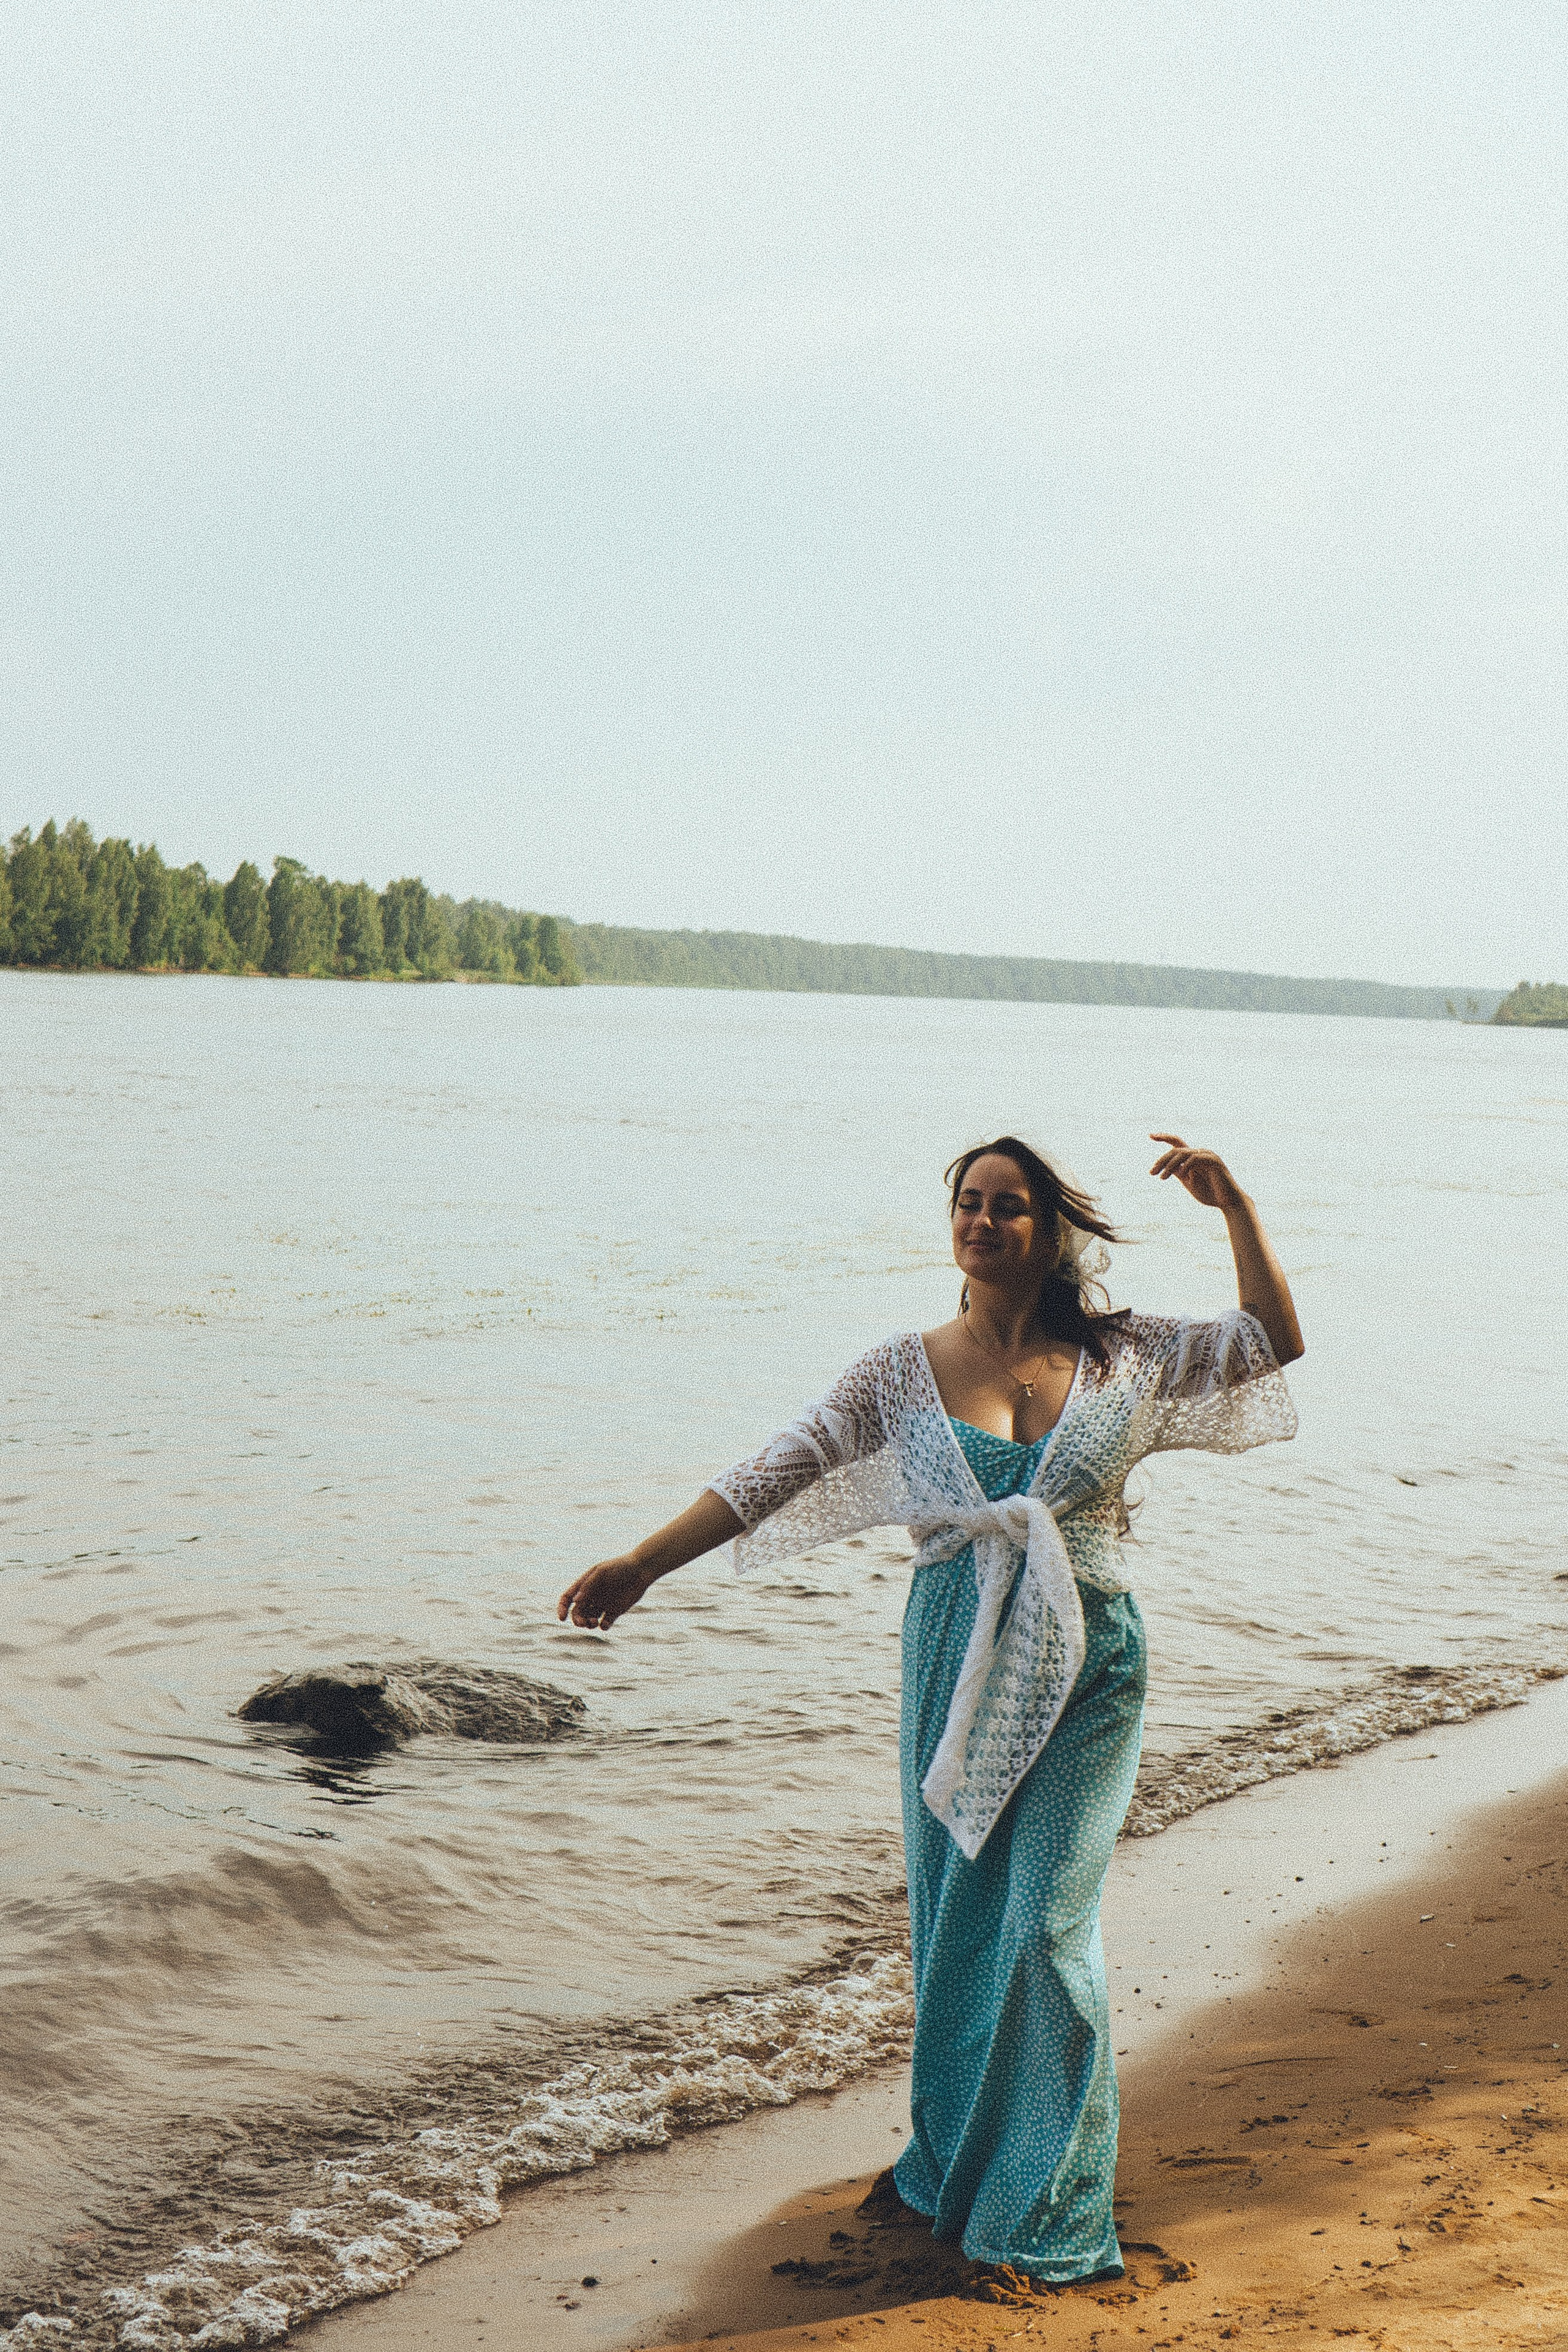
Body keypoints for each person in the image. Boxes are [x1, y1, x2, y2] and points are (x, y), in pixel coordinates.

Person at [558, 1133, 1303, 2284]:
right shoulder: (898, 1372)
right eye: (969, 1202)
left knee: (1050, 1929)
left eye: (1010, 1206)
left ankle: (1043, 2208)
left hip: (1090, 1656)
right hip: (954, 1658)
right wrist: (645, 1564)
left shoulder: (1123, 1356)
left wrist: (1235, 1207)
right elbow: (772, 1472)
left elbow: (1270, 1344)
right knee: (960, 1924)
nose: (984, 1220)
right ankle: (954, 2156)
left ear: (1051, 1233)